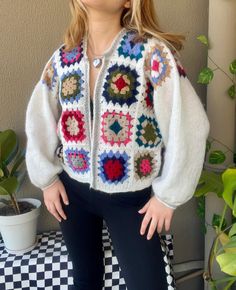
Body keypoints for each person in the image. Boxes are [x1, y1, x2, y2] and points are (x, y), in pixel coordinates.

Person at [25, 0, 210, 289]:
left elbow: (189, 124)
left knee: (149, 284)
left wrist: (168, 196)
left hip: (130, 201)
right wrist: (46, 179)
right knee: (85, 279)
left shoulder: (152, 55)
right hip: (72, 194)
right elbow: (39, 118)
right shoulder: (64, 58)